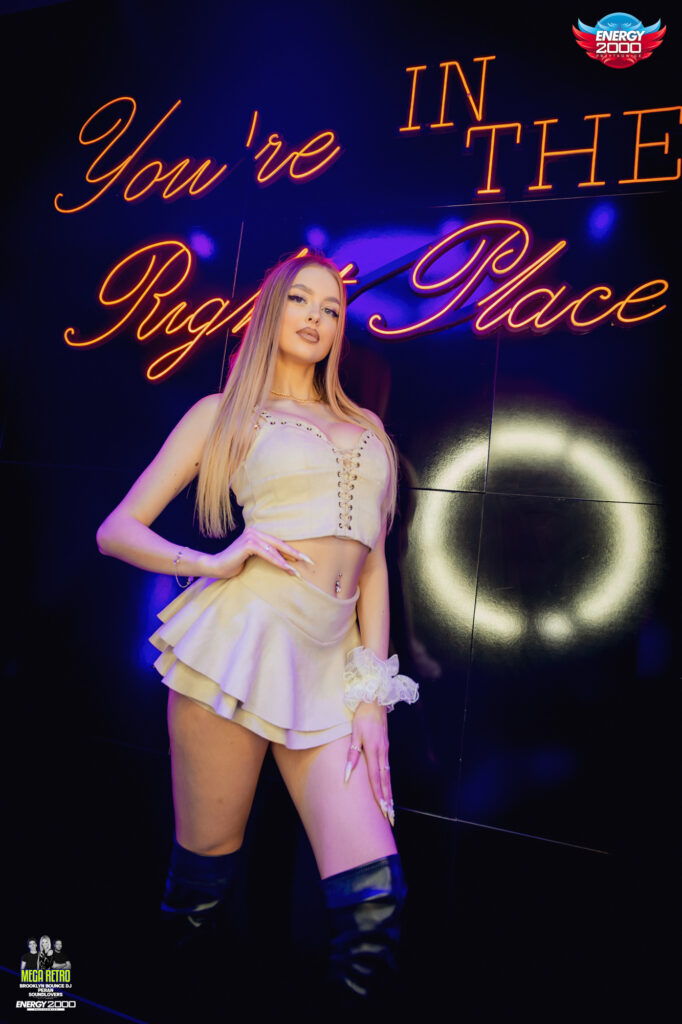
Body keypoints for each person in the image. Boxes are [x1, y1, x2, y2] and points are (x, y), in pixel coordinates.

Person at [96, 253, 419, 1004]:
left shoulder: (367, 426)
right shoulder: (224, 414)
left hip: (332, 670)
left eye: (332, 309)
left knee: (377, 903)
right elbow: (116, 531)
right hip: (237, 652)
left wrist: (370, 698)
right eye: (301, 299)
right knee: (200, 892)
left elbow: (371, 567)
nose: (316, 316)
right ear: (272, 311)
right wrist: (213, 561)